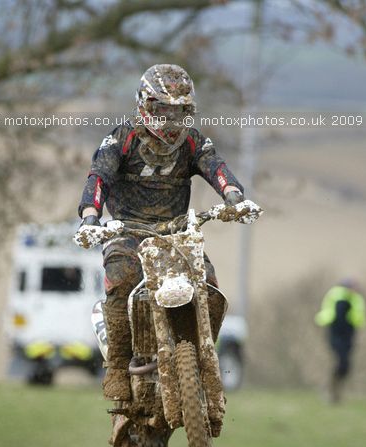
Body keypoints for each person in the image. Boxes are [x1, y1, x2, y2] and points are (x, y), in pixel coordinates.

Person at [77, 64, 245, 403]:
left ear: (188, 111)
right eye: (162, 109)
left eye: (178, 111)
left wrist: (234, 197)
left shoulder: (194, 142)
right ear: (144, 104)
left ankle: (202, 365)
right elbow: (99, 177)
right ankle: (118, 368)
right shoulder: (121, 139)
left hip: (177, 233)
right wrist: (91, 216)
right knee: (122, 278)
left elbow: (217, 168)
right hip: (127, 228)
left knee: (210, 287)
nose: (169, 119)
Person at [315, 279, 366, 402]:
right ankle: (331, 389)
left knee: (346, 365)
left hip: (349, 334)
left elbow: (358, 317)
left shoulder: (356, 299)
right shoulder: (336, 295)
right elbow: (329, 313)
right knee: (342, 361)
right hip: (335, 333)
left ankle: (334, 389)